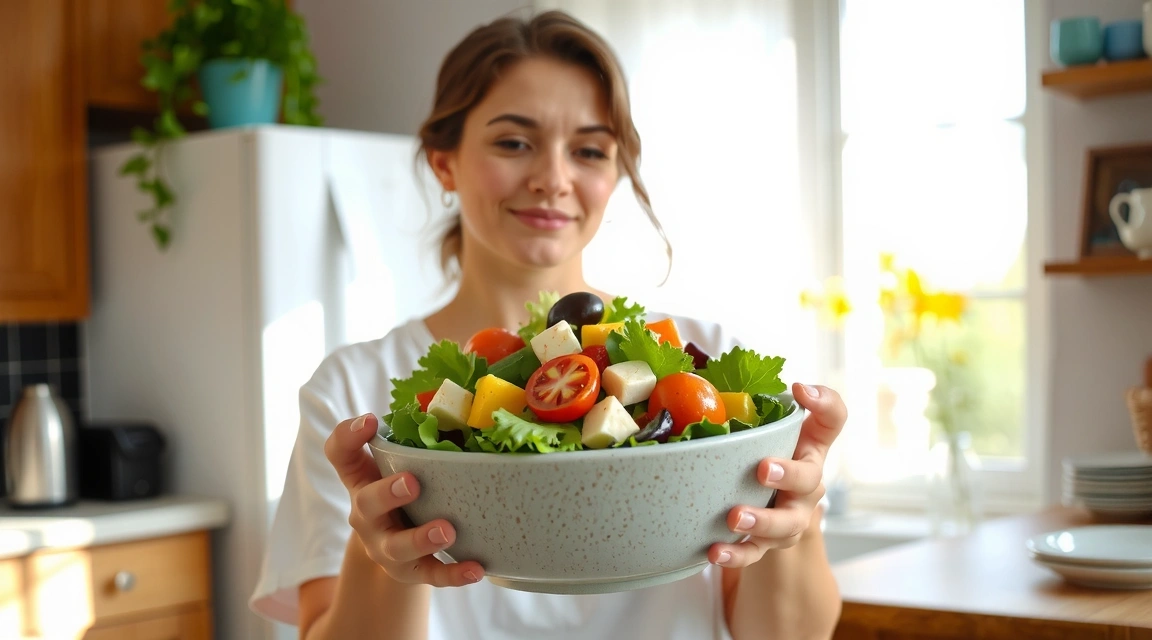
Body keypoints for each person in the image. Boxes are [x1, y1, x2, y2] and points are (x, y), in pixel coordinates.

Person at [250, 9, 847, 640]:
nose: (553, 179)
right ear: (443, 162)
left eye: (589, 151)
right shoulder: (351, 394)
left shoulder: (710, 368)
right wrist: (384, 556)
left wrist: (794, 515)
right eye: (513, 142)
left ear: (614, 174)